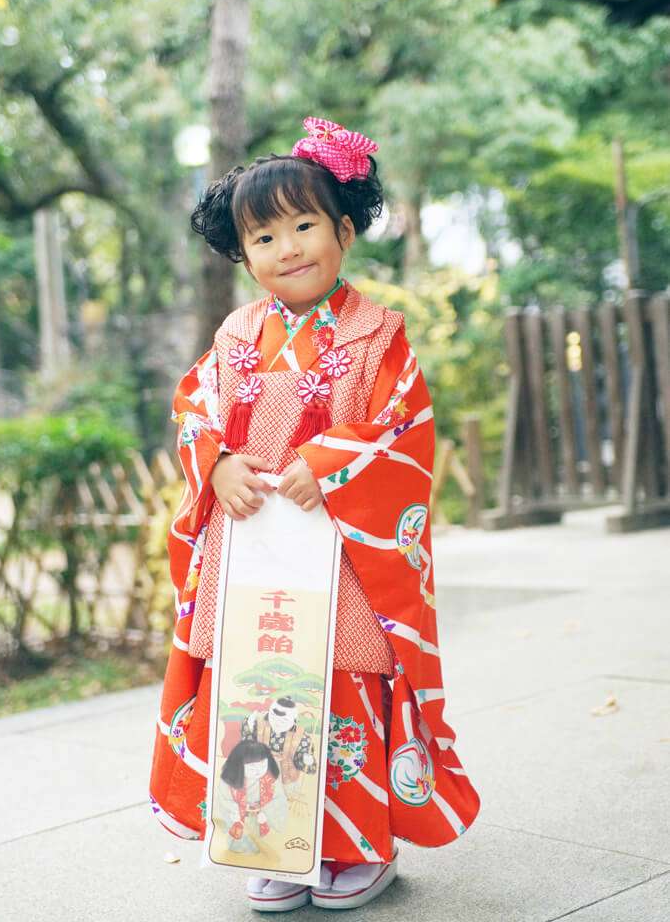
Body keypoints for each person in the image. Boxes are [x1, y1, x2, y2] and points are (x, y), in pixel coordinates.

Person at [149, 116, 481, 912]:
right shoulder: (236, 336)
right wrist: (220, 462)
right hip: (254, 544)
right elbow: (196, 408)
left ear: (343, 230)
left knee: (342, 682)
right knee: (261, 684)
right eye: (263, 236)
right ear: (242, 252)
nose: (287, 248)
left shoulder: (378, 335)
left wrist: (327, 463)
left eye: (304, 226)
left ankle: (360, 845)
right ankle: (274, 840)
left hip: (343, 549)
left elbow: (402, 425)